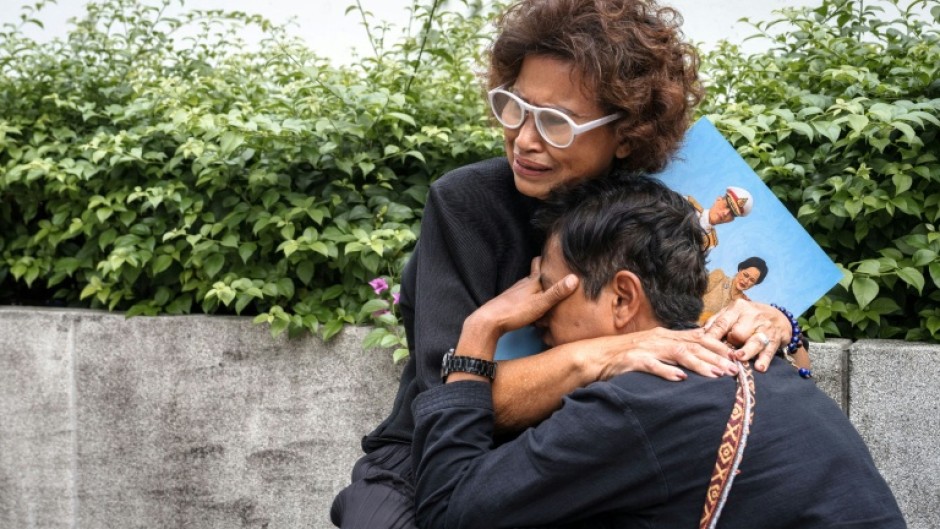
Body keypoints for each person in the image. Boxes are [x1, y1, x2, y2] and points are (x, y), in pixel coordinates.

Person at [330, 1, 801, 527]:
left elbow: (724, 352)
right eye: (514, 108)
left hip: (589, 462)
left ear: (626, 134)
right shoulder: (465, 204)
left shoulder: (667, 202)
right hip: (434, 459)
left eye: (557, 122)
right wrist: (613, 351)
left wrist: (776, 320)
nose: (525, 140)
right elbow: (453, 394)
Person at [412, 176, 905, 529]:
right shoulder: (762, 372)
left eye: (547, 287)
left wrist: (480, 328)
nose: (535, 310)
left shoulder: (637, 403)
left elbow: (447, 509)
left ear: (623, 298)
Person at [700, 256, 768, 323]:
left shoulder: (746, 304)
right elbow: (693, 296)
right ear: (740, 269)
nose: (746, 281)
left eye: (752, 280)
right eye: (745, 275)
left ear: (755, 284)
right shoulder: (719, 276)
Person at [687, 186, 754, 249]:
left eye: (732, 214)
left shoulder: (710, 243)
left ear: (731, 220)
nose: (725, 213)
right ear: (718, 200)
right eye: (727, 206)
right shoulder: (688, 205)